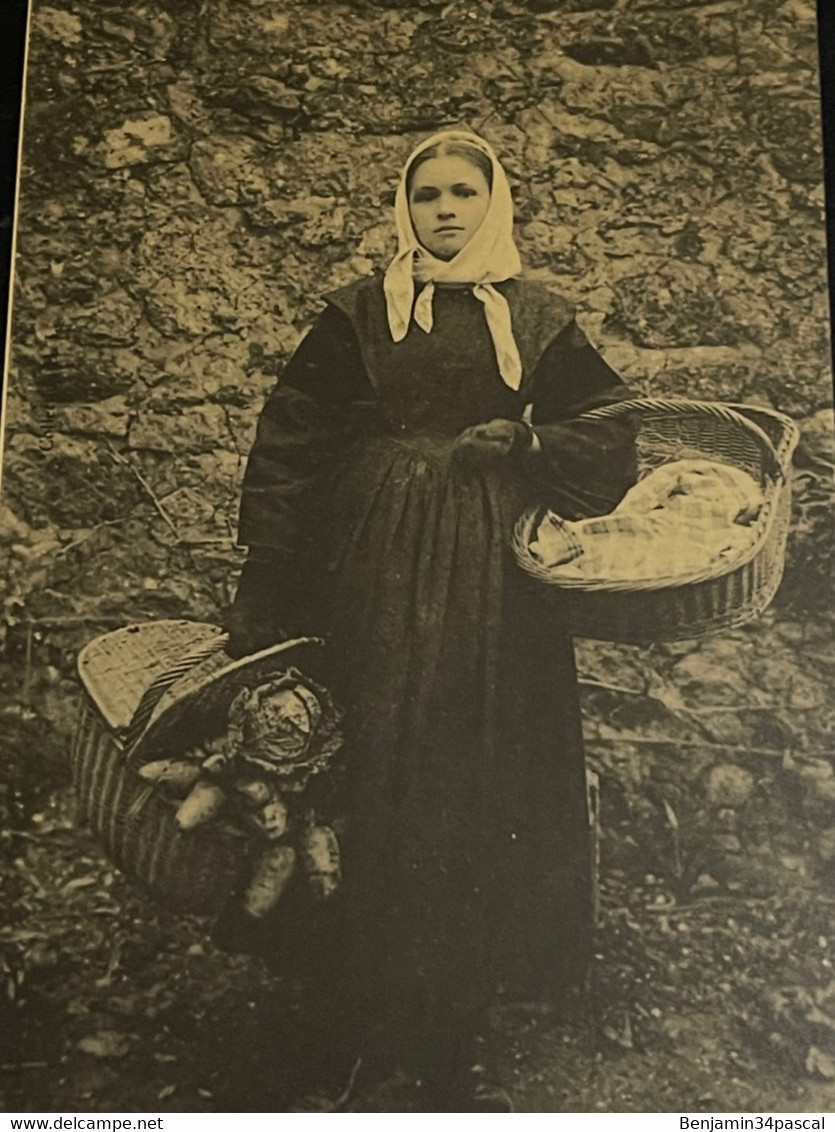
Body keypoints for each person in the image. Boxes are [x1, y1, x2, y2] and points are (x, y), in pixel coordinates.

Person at [224, 129, 638, 1111]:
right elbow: (291, 440)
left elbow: (610, 432)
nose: (444, 211)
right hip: (366, 570)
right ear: (402, 208)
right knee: (361, 768)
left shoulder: (535, 316)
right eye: (426, 195)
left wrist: (527, 440)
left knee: (473, 778)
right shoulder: (362, 313)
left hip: (493, 591)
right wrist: (268, 570)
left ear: (492, 203)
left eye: (463, 193)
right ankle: (353, 1015)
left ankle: (453, 1022)